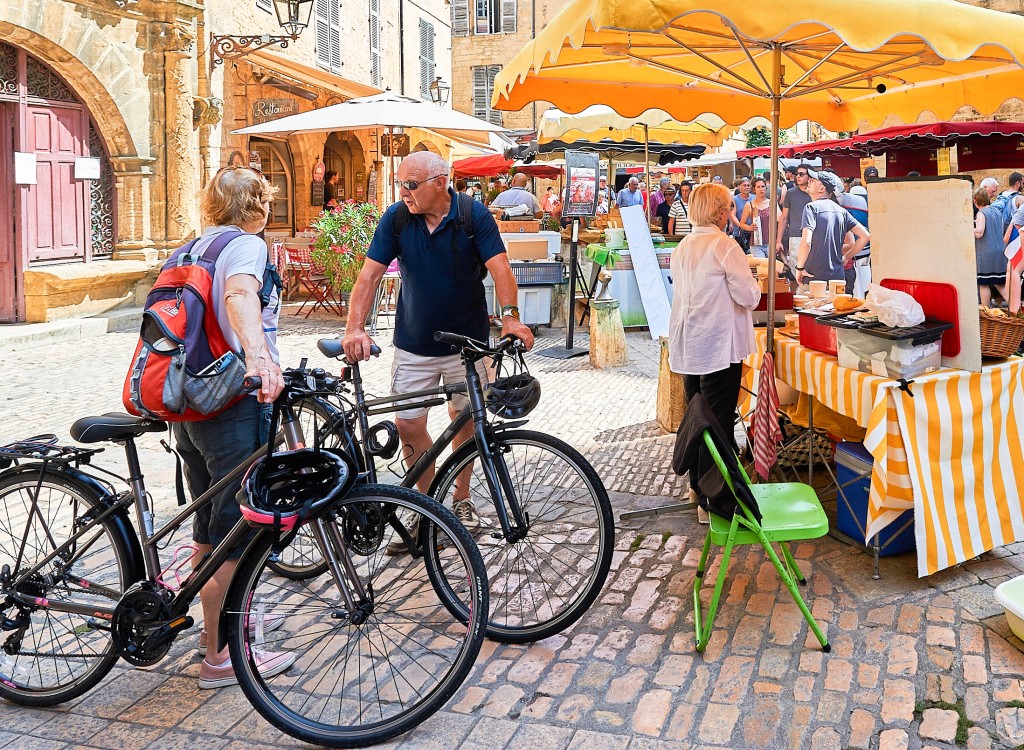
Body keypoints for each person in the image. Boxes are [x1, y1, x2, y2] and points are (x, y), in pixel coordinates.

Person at [341, 152, 534, 545]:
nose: (404, 192)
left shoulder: (472, 215)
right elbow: (368, 279)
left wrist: (511, 318)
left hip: (469, 344)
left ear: (439, 182)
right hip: (414, 344)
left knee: (466, 421)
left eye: (411, 184)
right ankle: (427, 507)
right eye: (400, 184)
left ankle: (461, 499)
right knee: (409, 423)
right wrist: (354, 328)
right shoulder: (396, 218)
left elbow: (501, 270)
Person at [175, 166, 293, 689]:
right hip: (231, 400)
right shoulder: (245, 245)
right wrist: (260, 359)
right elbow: (239, 297)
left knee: (208, 530)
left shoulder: (191, 246)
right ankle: (221, 656)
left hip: (191, 400)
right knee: (236, 534)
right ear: (260, 206)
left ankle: (217, 634)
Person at [668, 182, 760, 518]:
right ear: (719, 211)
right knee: (716, 422)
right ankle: (714, 502)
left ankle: (696, 487)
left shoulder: (683, 246)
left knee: (698, 419)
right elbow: (748, 296)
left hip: (688, 343)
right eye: (728, 208)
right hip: (716, 345)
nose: (730, 213)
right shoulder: (724, 245)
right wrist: (757, 282)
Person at [795, 169, 870, 287]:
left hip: (813, 277)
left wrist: (799, 267)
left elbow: (806, 241)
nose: (810, 181)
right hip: (837, 277)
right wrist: (846, 257)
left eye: (814, 180)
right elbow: (865, 236)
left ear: (822, 188)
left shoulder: (811, 208)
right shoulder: (842, 211)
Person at [777, 163, 812, 282]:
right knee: (795, 272)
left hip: (814, 237)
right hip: (796, 237)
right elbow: (783, 218)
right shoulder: (791, 193)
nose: (798, 176)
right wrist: (778, 241)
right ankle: (794, 298)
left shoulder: (815, 193)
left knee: (812, 271)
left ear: (810, 176)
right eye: (797, 174)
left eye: (802, 174)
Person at [974, 187, 1008, 306]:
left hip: (986, 252)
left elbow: (979, 233)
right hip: (1000, 251)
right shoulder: (997, 212)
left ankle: (986, 310)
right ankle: (1016, 308)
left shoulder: (981, 213)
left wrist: (969, 228)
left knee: (984, 282)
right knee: (1000, 284)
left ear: (975, 201)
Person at [836, 183, 871, 295]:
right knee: (864, 284)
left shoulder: (845, 206)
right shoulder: (866, 205)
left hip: (853, 253)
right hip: (865, 251)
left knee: (856, 288)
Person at [738, 177, 778, 259]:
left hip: (771, 242)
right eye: (758, 187)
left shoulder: (771, 203)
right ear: (754, 189)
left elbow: (780, 219)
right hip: (756, 243)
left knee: (772, 269)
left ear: (766, 188)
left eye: (763, 187)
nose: (761, 189)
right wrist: (749, 228)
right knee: (761, 269)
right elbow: (741, 223)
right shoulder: (749, 205)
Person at [729, 177, 752, 253]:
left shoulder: (754, 198)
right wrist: (740, 225)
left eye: (748, 185)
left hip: (752, 230)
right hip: (739, 231)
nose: (747, 187)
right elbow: (732, 214)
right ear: (739, 187)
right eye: (744, 185)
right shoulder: (734, 199)